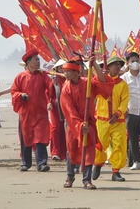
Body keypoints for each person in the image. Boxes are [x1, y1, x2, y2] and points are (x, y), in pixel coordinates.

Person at [59, 57, 111, 190]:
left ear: (76, 72)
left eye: (68, 71)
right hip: (73, 124)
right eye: (65, 72)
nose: (66, 74)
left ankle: (86, 179)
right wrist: (80, 125)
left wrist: (94, 65)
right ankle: (70, 176)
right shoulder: (66, 89)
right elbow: (68, 110)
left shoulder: (88, 83)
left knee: (88, 150)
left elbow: (103, 82)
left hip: (89, 122)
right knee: (72, 149)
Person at [11, 49, 53, 172]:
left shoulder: (43, 76)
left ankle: (42, 163)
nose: (38, 61)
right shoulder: (20, 77)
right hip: (26, 114)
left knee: (40, 137)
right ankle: (25, 162)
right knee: (26, 138)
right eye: (36, 60)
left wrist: (53, 82)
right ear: (29, 63)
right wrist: (21, 95)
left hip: (40, 113)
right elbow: (14, 92)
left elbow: (50, 88)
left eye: (38, 59)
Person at [93, 55, 129, 182]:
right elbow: (94, 93)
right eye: (115, 65)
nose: (118, 67)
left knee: (119, 145)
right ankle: (98, 164)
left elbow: (125, 102)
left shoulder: (123, 84)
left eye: (120, 65)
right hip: (102, 119)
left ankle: (116, 171)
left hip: (117, 120)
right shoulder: (100, 81)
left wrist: (118, 113)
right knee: (100, 144)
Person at [49, 59, 67, 161]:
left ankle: (64, 153)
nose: (62, 70)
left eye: (63, 68)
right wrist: (49, 103)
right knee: (56, 129)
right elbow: (48, 94)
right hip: (55, 108)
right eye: (60, 68)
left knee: (65, 130)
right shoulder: (53, 80)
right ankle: (55, 152)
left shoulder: (69, 79)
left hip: (66, 108)